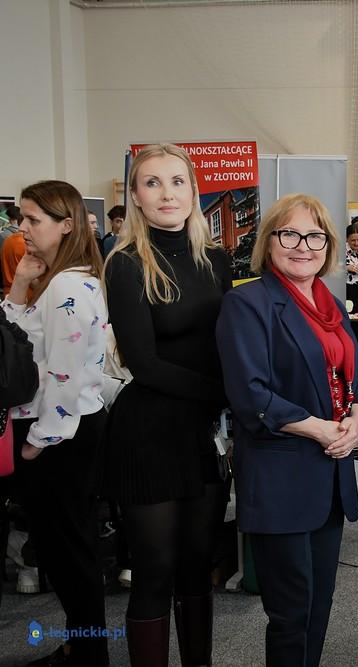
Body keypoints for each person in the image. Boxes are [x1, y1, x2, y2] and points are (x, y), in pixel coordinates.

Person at [216, 193, 358, 667]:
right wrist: (322, 430)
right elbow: (250, 395)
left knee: (320, 605)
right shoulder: (248, 303)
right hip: (281, 473)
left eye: (315, 235)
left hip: (331, 475)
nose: (303, 246)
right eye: (290, 234)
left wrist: (357, 414)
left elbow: (352, 377)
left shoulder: (331, 304)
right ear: (270, 241)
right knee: (290, 611)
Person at [102, 143, 233, 667]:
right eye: (152, 182)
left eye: (177, 181)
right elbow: (145, 363)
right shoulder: (127, 264)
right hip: (150, 433)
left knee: (198, 565)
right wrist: (225, 394)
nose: (166, 193)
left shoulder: (218, 261)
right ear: (134, 195)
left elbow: (230, 343)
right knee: (155, 571)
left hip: (205, 434)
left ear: (193, 190)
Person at [3, 180, 109, 667]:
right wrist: (22, 283)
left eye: (32, 219)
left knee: (71, 553)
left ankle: (88, 653)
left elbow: (66, 376)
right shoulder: (57, 279)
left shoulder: (69, 285)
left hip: (58, 434)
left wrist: (38, 443)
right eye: (21, 218)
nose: (21, 228)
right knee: (64, 549)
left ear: (66, 225)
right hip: (52, 430)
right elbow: (15, 342)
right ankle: (81, 646)